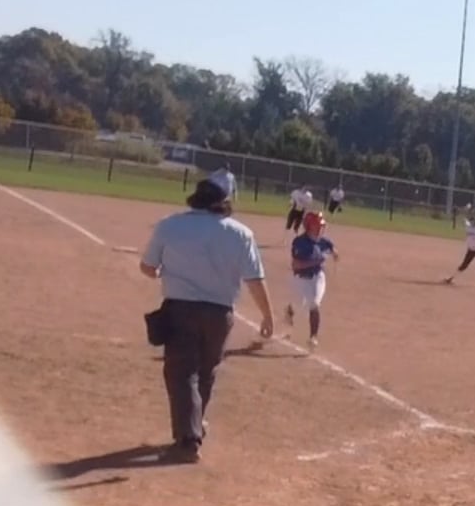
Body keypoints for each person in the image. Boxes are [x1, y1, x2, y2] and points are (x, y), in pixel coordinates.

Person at [138, 171, 275, 462]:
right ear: (226, 200)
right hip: (219, 314)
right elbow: (255, 279)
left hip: (180, 309)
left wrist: (164, 272)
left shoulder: (170, 225)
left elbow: (148, 267)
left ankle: (188, 442)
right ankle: (195, 425)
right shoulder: (241, 233)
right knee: (205, 370)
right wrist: (267, 316)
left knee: (181, 373)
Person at [286, 211, 339, 350]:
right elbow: (296, 265)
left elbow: (332, 248)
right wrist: (316, 261)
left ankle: (313, 337)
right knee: (297, 305)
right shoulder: (299, 242)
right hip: (300, 279)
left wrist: (334, 254)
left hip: (317, 277)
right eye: (317, 225)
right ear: (309, 226)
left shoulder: (323, 241)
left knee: (314, 304)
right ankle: (289, 311)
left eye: (321, 226)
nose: (320, 228)